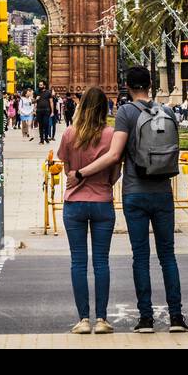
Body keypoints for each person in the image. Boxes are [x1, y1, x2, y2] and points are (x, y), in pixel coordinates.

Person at [75, 66, 187, 333]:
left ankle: (146, 319)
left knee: (141, 256)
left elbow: (114, 155)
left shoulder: (126, 112)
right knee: (168, 256)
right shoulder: (167, 111)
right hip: (162, 192)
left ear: (127, 86)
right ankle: (176, 318)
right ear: (150, 85)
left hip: (135, 192)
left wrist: (82, 173)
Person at [58, 86, 118, 334]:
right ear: (105, 108)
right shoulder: (111, 134)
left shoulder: (70, 134)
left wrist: (79, 176)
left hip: (74, 204)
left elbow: (67, 170)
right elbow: (115, 173)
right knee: (101, 262)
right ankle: (102, 320)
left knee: (78, 262)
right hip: (103, 201)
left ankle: (83, 320)